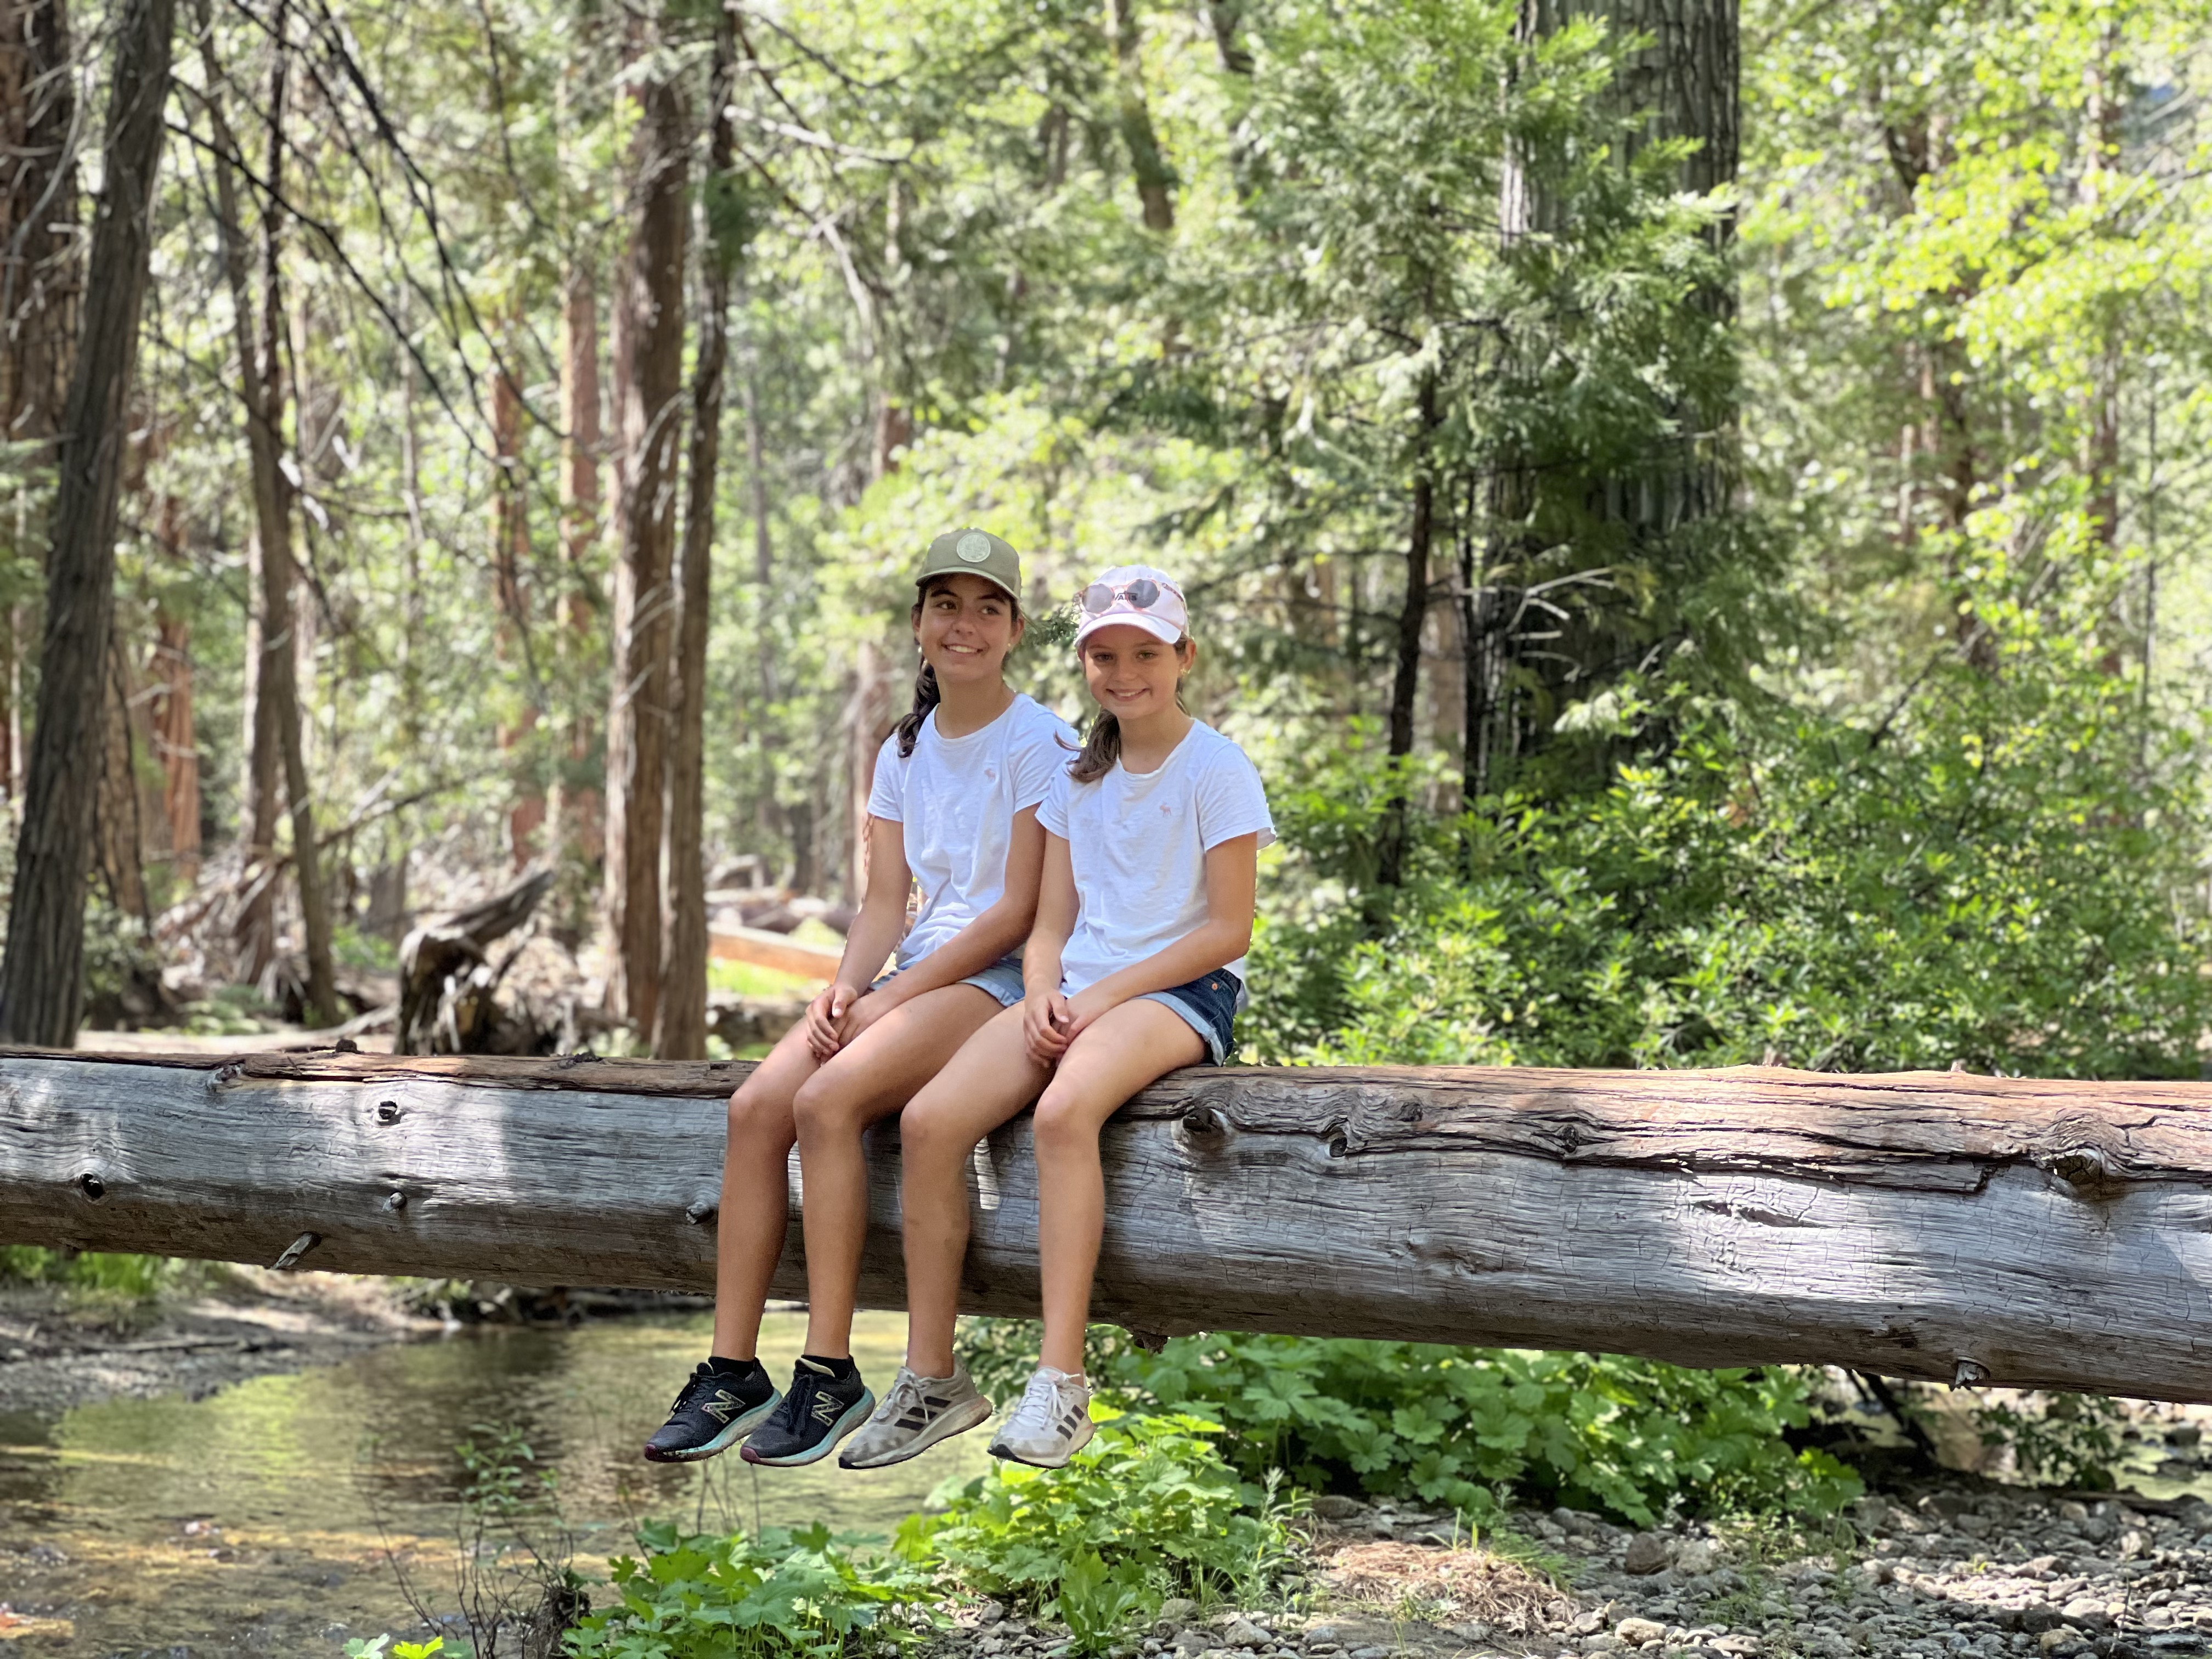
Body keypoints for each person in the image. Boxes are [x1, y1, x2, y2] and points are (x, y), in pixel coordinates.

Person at [642, 527, 1074, 1469]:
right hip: (912, 970)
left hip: (994, 980)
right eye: (947, 605)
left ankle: (830, 1368)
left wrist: (895, 996)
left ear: (1015, 630)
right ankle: (731, 1370)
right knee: (757, 1107)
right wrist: (844, 988)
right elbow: (885, 903)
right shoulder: (905, 747)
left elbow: (1017, 911)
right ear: (920, 623)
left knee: (825, 1102)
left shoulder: (1041, 741)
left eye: (987, 607)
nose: (965, 625)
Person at [848, 564, 1272, 1471]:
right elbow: (1049, 924)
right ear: (1083, 663)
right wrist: (1043, 990)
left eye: (1146, 654)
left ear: (1183, 656)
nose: (1126, 673)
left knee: (1062, 1111)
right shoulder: (1080, 775)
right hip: (1076, 990)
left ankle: (1062, 1384)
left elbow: (1228, 930)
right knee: (928, 1122)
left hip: (1178, 993)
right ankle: (932, 1379)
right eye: (1105, 656)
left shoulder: (1216, 766)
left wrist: (1098, 999)